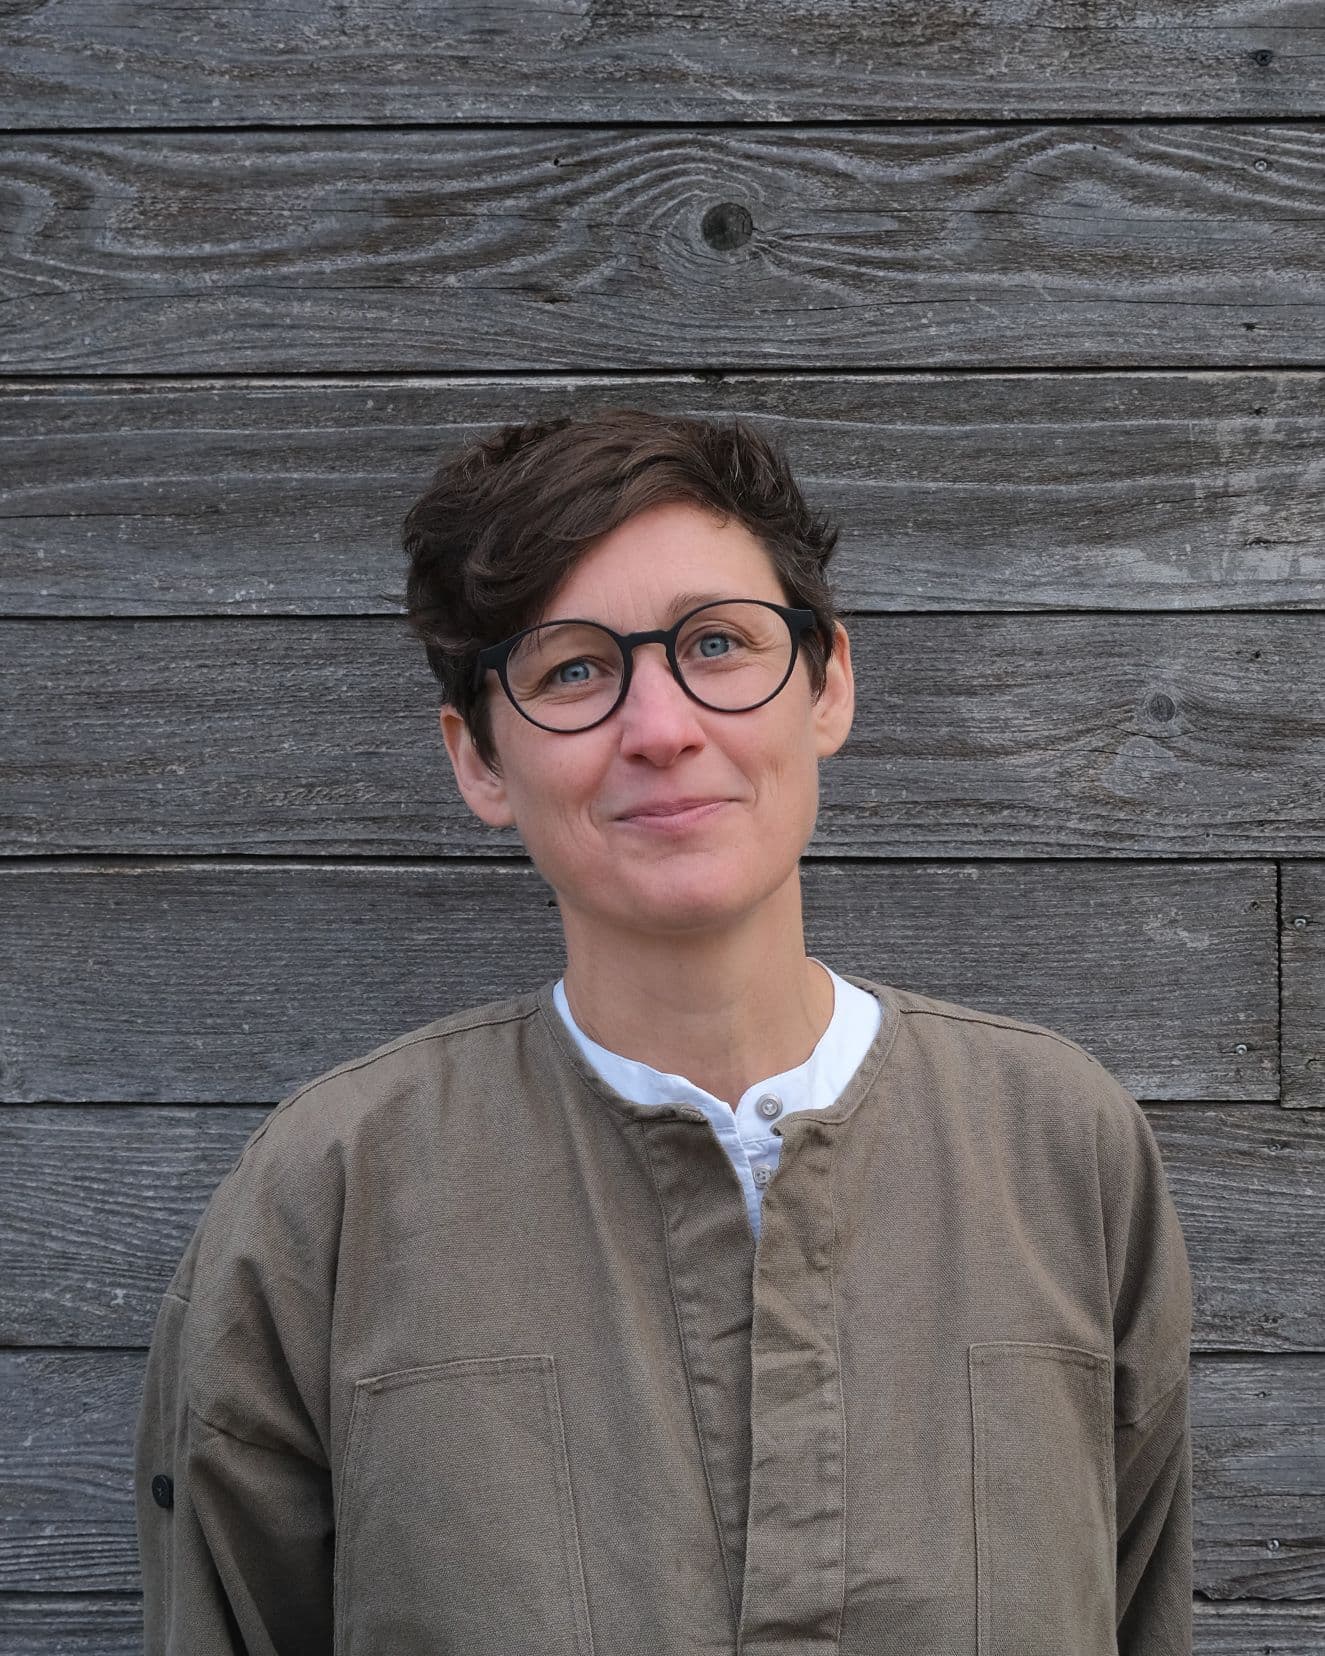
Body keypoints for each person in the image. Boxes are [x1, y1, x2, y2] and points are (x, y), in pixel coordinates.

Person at [134, 408, 1194, 1655]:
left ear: (827, 685)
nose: (659, 726)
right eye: (572, 668)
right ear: (478, 759)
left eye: (716, 643)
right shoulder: (331, 1200)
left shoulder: (1060, 1154)